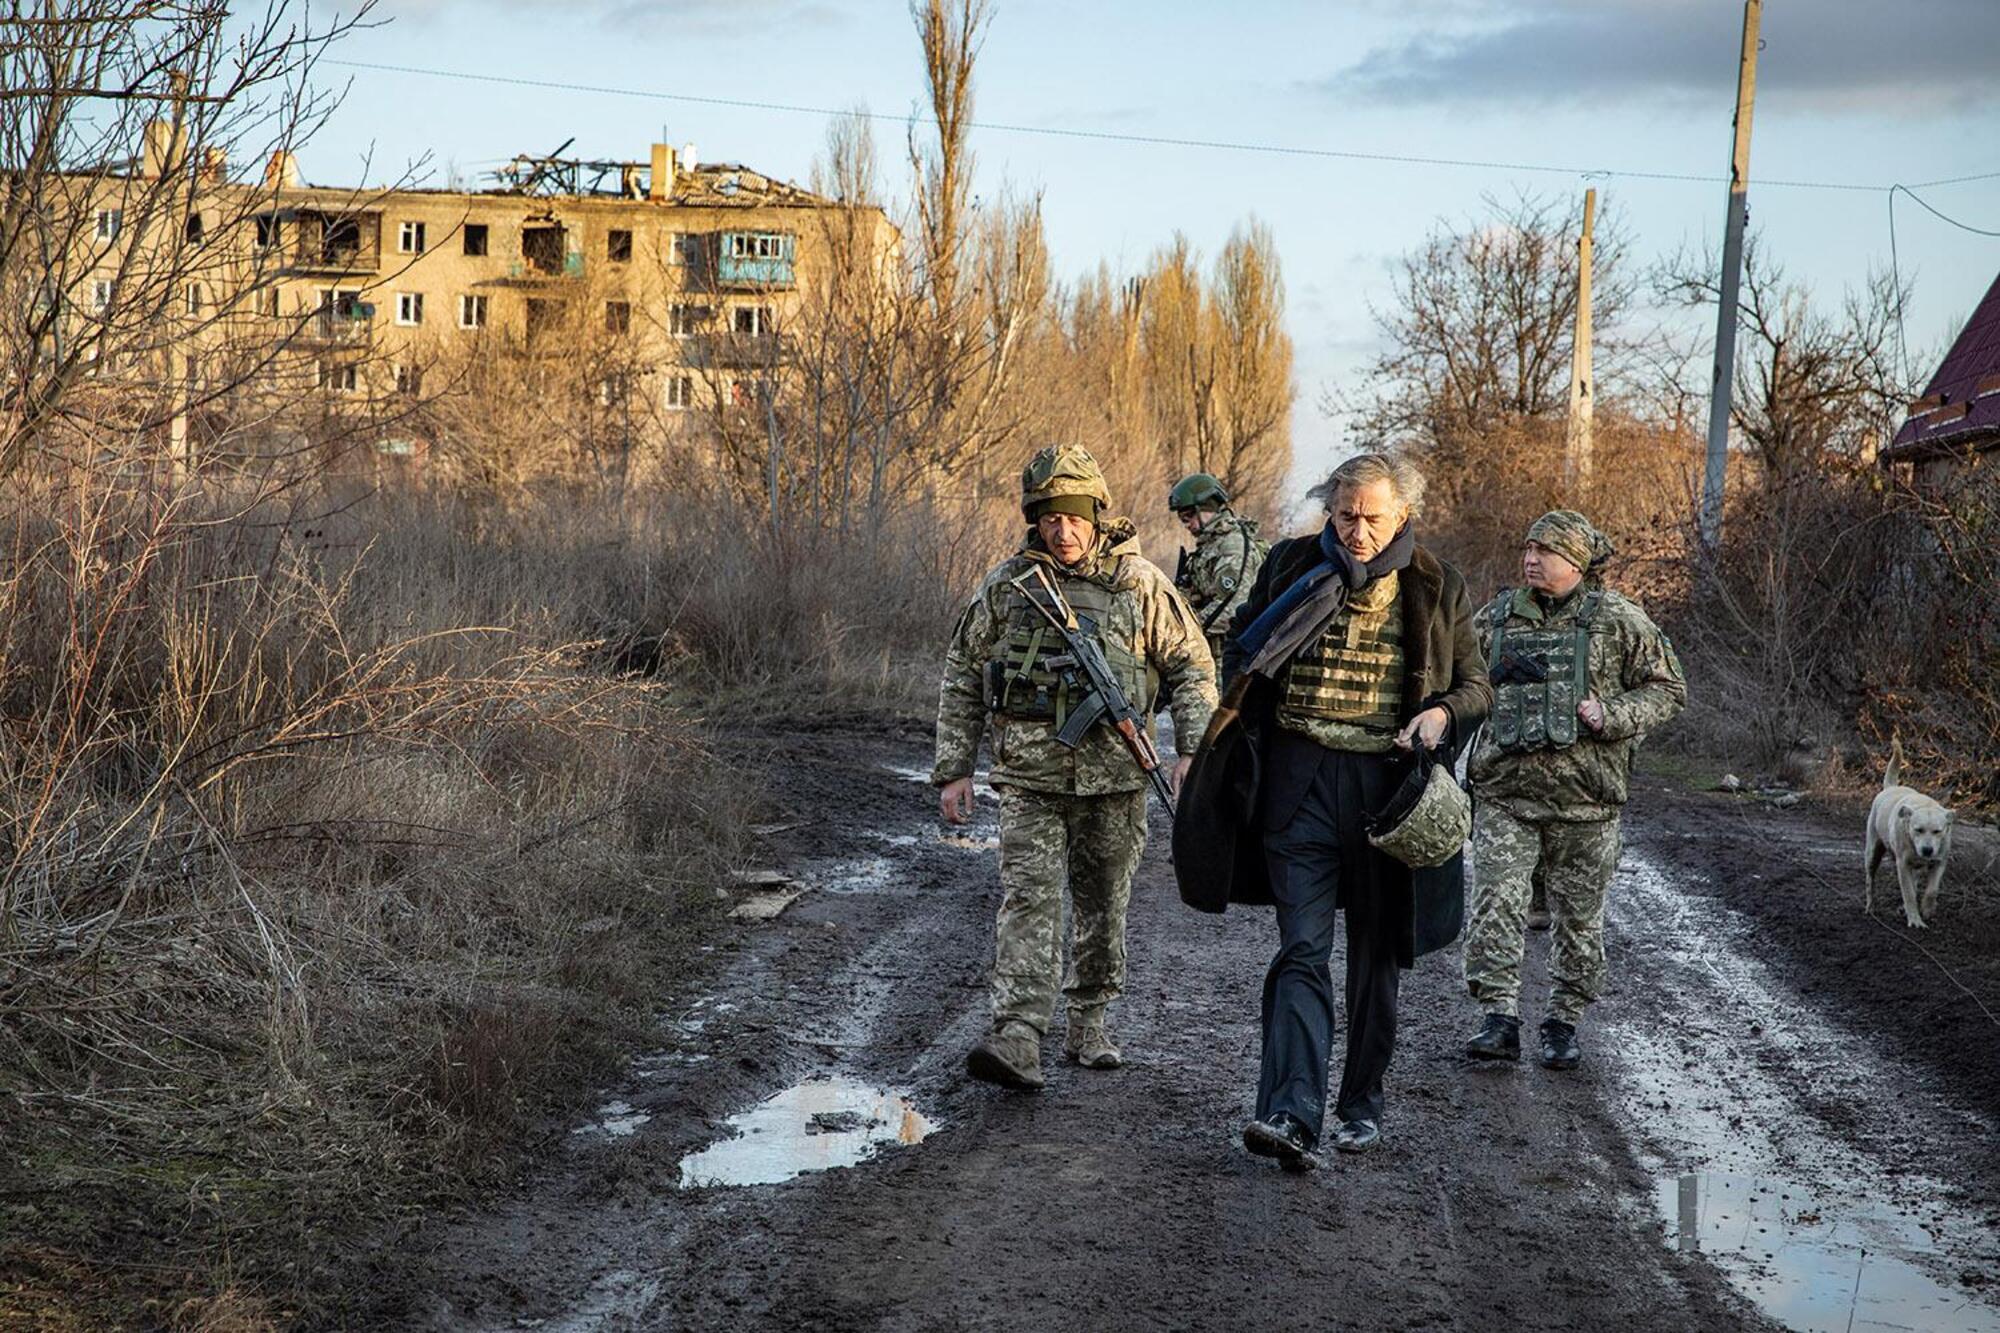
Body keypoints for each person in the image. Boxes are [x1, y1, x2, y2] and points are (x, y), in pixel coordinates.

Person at [1181, 452, 1490, 1171]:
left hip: (1389, 795)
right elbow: (1243, 650)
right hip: (1299, 787)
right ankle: (1290, 1111)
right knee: (1302, 951)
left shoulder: (1437, 584)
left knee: (1376, 959)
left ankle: (1361, 1104)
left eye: (1371, 517)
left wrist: (1443, 712)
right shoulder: (1291, 564)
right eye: (1345, 514)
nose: (1355, 530)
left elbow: (1478, 684)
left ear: (1402, 515)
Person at [934, 444, 1217, 1091]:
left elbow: (1192, 665)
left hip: (1115, 780)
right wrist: (954, 768)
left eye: (1074, 515)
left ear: (1096, 512)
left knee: (1103, 903)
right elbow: (962, 673)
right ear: (1034, 518)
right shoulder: (1009, 586)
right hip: (1029, 778)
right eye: (1049, 517)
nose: (1063, 530)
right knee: (1030, 900)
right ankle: (1019, 1032)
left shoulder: (1138, 582)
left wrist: (1191, 750)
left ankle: (1089, 1020)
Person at [1462, 510, 1687, 1070]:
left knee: (1579, 918)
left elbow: (1670, 689)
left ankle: (1563, 1022)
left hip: (1586, 805)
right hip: (1505, 794)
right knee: (1496, 903)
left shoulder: (1619, 621)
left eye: (1546, 551)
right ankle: (1499, 1017)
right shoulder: (1498, 617)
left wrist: (1611, 714)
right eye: (1528, 549)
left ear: (1578, 563)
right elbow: (1461, 676)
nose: (1532, 559)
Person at [1169, 472, 1269, 672]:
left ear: (1207, 510)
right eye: (1183, 519)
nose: (1187, 525)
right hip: (1211, 652)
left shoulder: (1233, 545)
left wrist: (1183, 630)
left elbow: (1230, 608)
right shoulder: (1209, 547)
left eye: (1189, 517)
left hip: (1228, 657)